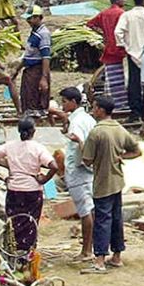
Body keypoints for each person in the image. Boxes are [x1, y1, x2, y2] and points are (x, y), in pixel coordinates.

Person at [79, 94, 142, 273]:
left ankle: (99, 259)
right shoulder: (119, 129)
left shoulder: (96, 132)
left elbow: (87, 160)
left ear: (100, 110)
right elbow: (136, 150)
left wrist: (80, 144)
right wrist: (121, 156)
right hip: (117, 180)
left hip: (102, 182)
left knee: (102, 220)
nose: (93, 110)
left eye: (94, 107)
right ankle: (117, 255)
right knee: (116, 218)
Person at [0, 116, 57, 269]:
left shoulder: (10, 146)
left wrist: (8, 165)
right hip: (32, 189)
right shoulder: (38, 148)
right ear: (33, 131)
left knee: (13, 222)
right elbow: (54, 166)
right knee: (30, 222)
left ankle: (11, 254)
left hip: (14, 188)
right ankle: (26, 256)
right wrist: (44, 180)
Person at [52, 88, 96, 262]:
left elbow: (78, 141)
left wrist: (79, 160)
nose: (62, 105)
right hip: (89, 170)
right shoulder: (88, 119)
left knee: (85, 210)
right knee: (90, 209)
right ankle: (91, 246)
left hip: (78, 171)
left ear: (73, 102)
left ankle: (86, 251)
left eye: (64, 101)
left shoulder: (76, 122)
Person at [86, 0, 129, 105]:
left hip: (109, 50)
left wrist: (103, 33)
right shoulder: (122, 14)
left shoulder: (104, 13)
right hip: (121, 50)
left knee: (111, 80)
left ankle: (114, 103)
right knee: (123, 78)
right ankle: (123, 103)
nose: (124, 0)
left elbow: (90, 24)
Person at [13, 9, 53, 119]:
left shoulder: (43, 34)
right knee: (28, 99)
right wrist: (17, 69)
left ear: (38, 18)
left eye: (30, 18)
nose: (28, 21)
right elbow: (28, 54)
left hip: (37, 70)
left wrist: (43, 78)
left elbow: (46, 57)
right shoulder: (34, 32)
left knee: (35, 101)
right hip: (30, 70)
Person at [120, 0, 144, 121]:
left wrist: (125, 45)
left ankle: (135, 112)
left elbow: (118, 32)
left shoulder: (127, 15)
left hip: (132, 53)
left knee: (134, 82)